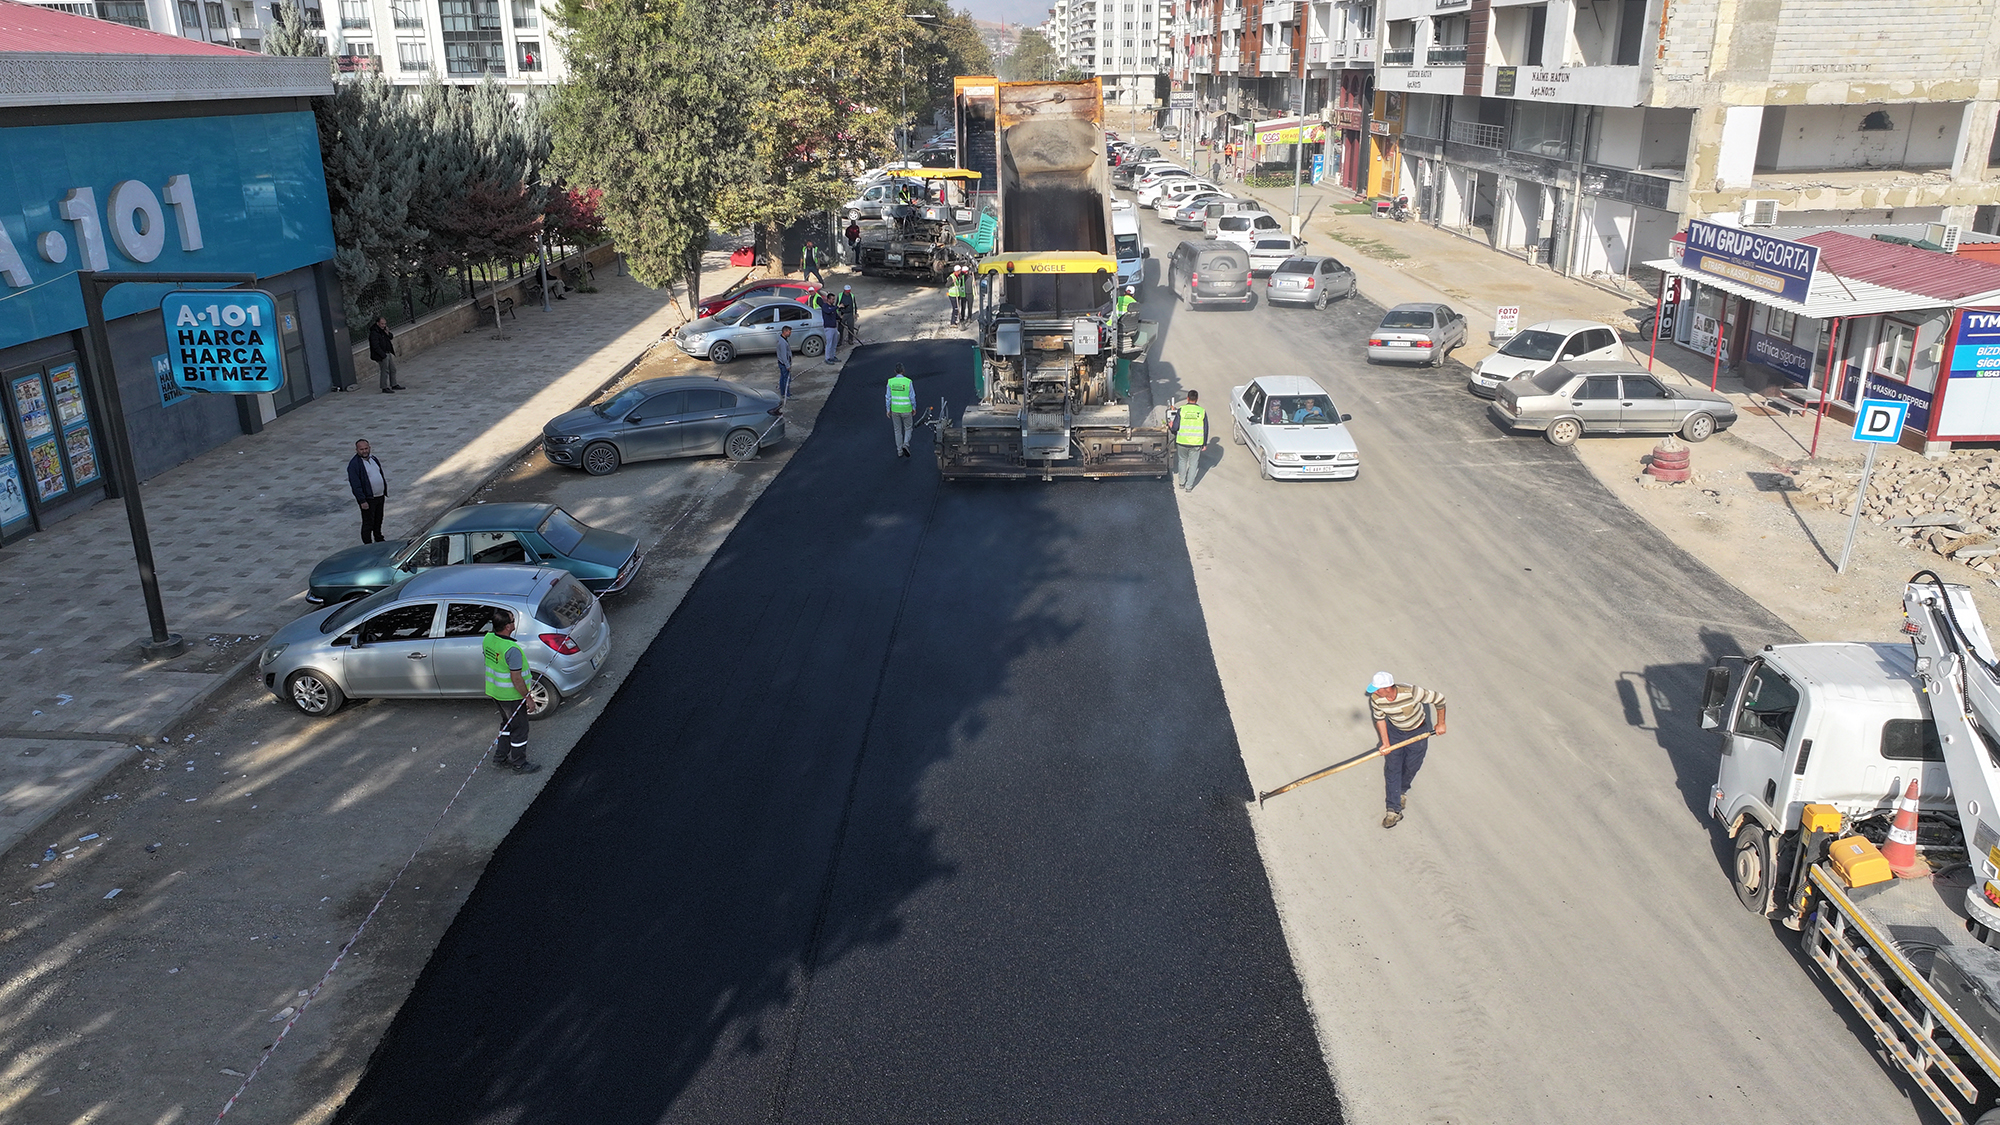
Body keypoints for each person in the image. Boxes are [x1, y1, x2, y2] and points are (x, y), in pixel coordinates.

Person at [1367, 672, 1447, 828]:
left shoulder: (1411, 692)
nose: (1374, 692)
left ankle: (1401, 790)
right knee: (1393, 768)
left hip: (1418, 731)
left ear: (1388, 687)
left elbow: (1440, 699)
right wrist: (1385, 743)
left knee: (1412, 765)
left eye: (1377, 689)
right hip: (1394, 732)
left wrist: (1441, 723)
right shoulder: (1376, 699)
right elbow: (1380, 718)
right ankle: (1393, 809)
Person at [483, 610, 541, 774]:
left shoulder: (488, 638)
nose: (515, 622)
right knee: (520, 730)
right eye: (513, 620)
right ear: (508, 626)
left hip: (495, 692)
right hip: (511, 697)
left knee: (507, 724)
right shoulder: (512, 649)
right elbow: (516, 679)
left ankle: (500, 757)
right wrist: (528, 698)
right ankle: (519, 764)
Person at [346, 439, 388, 544]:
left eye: (366, 448)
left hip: (379, 496)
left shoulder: (373, 459)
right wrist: (362, 500)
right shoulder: (354, 465)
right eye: (361, 449)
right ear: (356, 450)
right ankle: (368, 544)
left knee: (378, 519)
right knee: (368, 522)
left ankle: (378, 538)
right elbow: (355, 484)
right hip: (368, 499)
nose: (364, 451)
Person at [1170, 390, 1206, 492]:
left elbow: (1175, 427)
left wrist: (1171, 426)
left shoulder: (1181, 410)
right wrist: (1204, 443)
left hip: (1182, 441)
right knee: (1193, 464)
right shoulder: (1202, 411)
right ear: (1197, 399)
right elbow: (1205, 429)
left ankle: (1181, 483)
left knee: (1182, 461)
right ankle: (1189, 487)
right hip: (1196, 442)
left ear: (1187, 398)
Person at [886, 363, 916, 457]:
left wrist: (888, 409)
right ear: (904, 371)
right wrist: (914, 408)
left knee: (897, 430)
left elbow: (888, 397)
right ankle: (906, 444)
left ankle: (899, 451)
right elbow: (912, 396)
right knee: (908, 428)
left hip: (895, 409)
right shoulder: (908, 382)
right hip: (906, 409)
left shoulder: (890, 382)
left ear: (895, 371)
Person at [367, 316, 402, 393]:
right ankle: (384, 387)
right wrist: (383, 355)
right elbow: (375, 346)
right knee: (384, 370)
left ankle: (394, 384)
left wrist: (388, 333)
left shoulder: (383, 330)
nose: (383, 325)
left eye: (384, 324)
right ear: (378, 323)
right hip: (382, 355)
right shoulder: (374, 333)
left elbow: (391, 337)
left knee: (392, 369)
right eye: (382, 324)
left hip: (387, 352)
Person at [820, 296, 842, 363]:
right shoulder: (825, 306)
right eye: (832, 299)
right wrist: (838, 307)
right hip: (828, 328)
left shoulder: (833, 307)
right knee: (829, 343)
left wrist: (840, 318)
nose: (833, 301)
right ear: (828, 299)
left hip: (834, 327)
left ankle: (833, 356)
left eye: (834, 299)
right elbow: (828, 311)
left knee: (834, 343)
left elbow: (836, 316)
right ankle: (827, 358)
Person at [775, 325, 794, 400]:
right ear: (785, 332)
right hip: (784, 364)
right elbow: (783, 355)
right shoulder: (782, 342)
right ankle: (786, 394)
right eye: (789, 332)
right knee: (786, 379)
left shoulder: (782, 339)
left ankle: (783, 392)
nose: (790, 333)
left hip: (781, 363)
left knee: (782, 378)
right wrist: (787, 365)